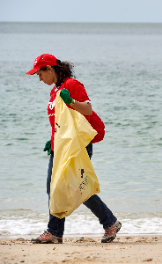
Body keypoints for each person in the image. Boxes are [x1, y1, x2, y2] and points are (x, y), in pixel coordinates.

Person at [26, 53, 121, 244]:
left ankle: (106, 223)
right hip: (62, 147)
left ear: (50, 69)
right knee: (58, 188)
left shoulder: (71, 85)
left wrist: (71, 101)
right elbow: (62, 121)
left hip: (78, 146)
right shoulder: (56, 90)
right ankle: (58, 231)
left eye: (40, 74)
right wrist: (52, 140)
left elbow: (87, 110)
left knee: (72, 188)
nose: (39, 78)